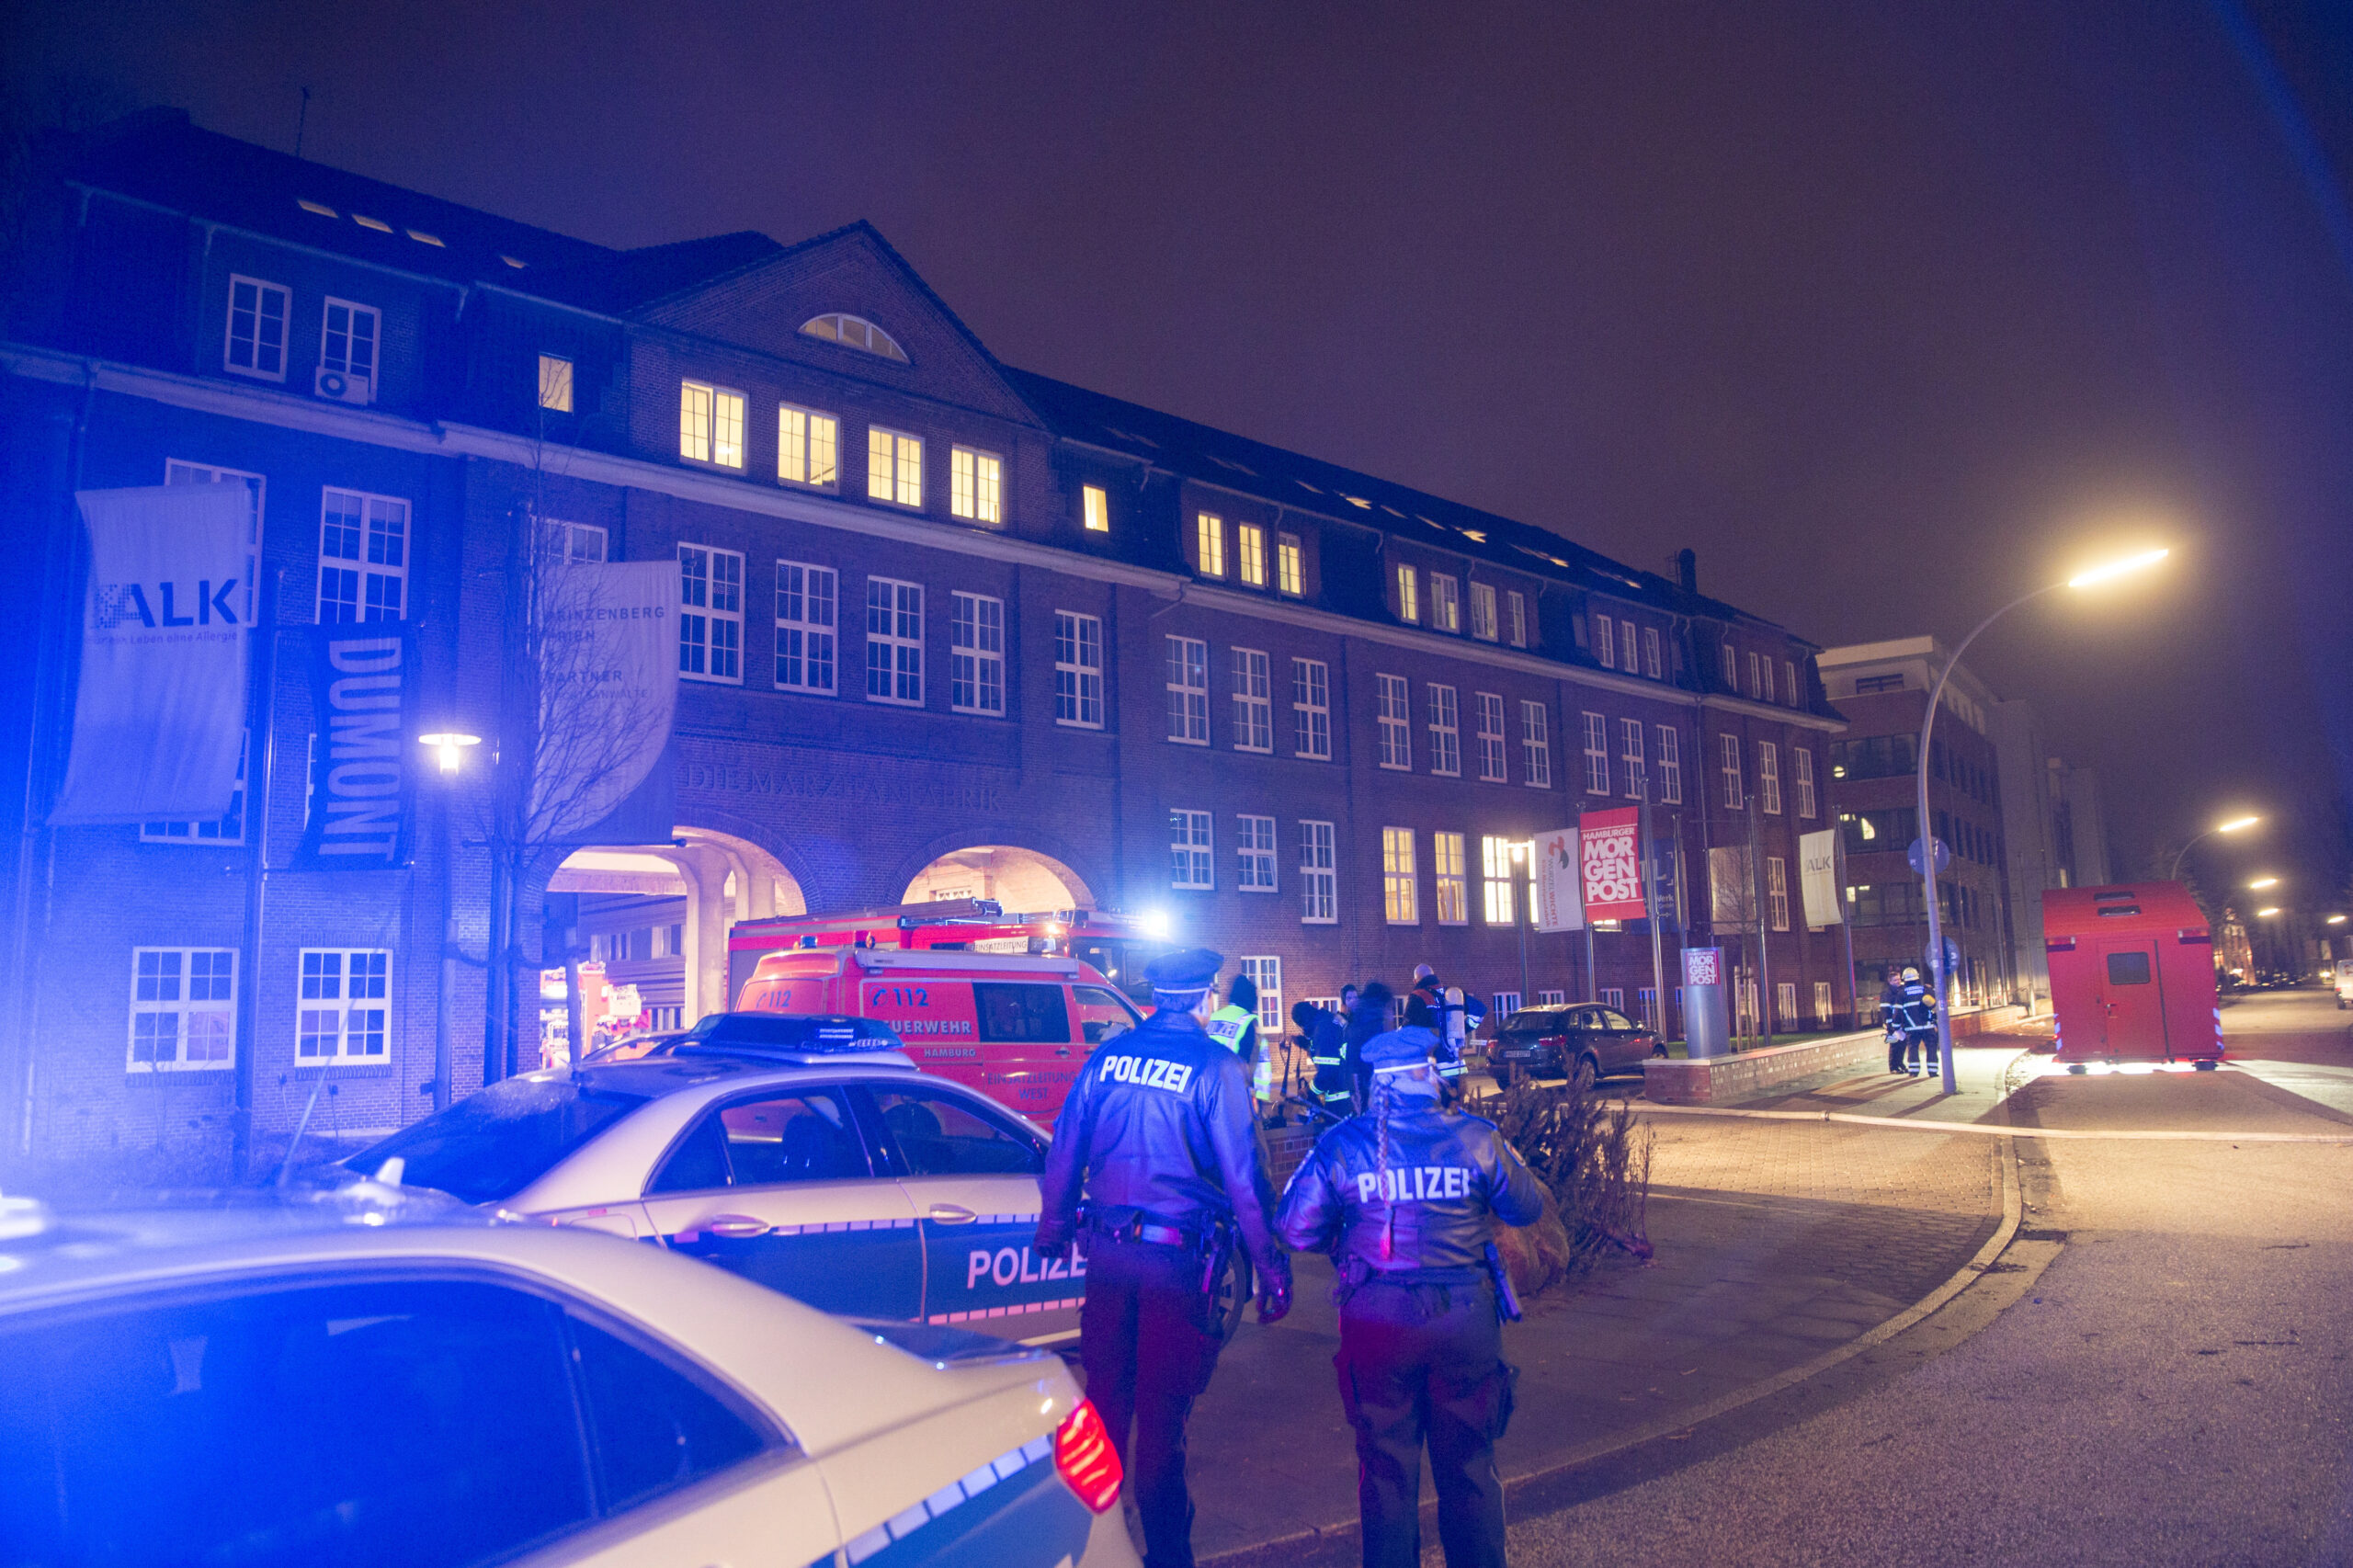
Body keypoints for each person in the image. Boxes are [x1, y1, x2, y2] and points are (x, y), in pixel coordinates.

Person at [1035, 948, 1292, 1568]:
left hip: (1109, 1259)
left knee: (1105, 1405)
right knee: (1161, 1421)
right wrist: (1272, 1273)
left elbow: (1066, 1146)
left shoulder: (1108, 1058)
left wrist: (1052, 1228)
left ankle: (1090, 1545)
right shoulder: (1215, 1066)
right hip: (1177, 1269)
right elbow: (1245, 1182)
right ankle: (1167, 1555)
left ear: (1154, 995)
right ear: (1206, 996)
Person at [1275, 1028, 1545, 1568]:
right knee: (1470, 1470)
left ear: (1378, 1087)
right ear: (1426, 1077)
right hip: (1464, 1320)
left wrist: (1347, 1240)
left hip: (1377, 1323)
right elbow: (1526, 1206)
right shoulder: (1476, 1137)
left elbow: (1295, 1228)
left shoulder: (1343, 1144)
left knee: (1385, 1477)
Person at [1295, 999, 1355, 1118]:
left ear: (1303, 1023)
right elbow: (1335, 1049)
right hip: (1353, 1091)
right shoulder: (1333, 1018)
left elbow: (1327, 1073)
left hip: (1341, 1099)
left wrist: (1308, 1091)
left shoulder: (1322, 1030)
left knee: (1335, 1133)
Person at [1345, 982, 1395, 1111]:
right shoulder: (1379, 1015)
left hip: (1361, 1075)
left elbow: (1352, 1052)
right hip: (1378, 1074)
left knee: (1368, 1111)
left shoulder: (1357, 1016)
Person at [1893, 965, 1938, 1077]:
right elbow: (1935, 1006)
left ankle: (1914, 1071)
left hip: (1912, 1028)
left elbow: (1898, 1012)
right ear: (1917, 978)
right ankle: (1933, 1071)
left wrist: (1895, 1026)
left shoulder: (1902, 994)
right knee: (1931, 1048)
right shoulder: (1926, 989)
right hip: (1928, 1026)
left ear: (1905, 980)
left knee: (1913, 1048)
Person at [1878, 971, 1910, 1074]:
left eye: (1899, 979)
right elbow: (1885, 1010)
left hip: (1901, 1023)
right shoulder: (1886, 993)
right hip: (1891, 1024)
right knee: (1893, 1045)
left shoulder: (1902, 990)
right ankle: (1893, 1067)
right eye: (1895, 980)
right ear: (1890, 981)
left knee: (1902, 1044)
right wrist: (1888, 1024)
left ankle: (1900, 1064)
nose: (1898, 982)